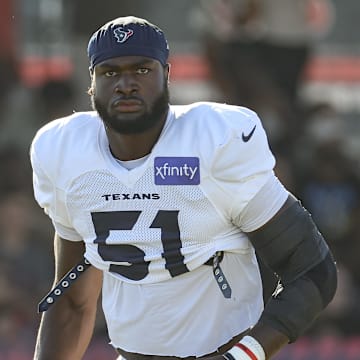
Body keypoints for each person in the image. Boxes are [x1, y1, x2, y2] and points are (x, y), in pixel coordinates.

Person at [30, 16, 337, 360]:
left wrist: (244, 355)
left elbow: (313, 269)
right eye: (110, 72)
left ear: (167, 76)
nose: (126, 84)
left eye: (142, 70)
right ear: (92, 83)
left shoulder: (215, 142)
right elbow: (72, 301)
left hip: (222, 351)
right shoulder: (65, 153)